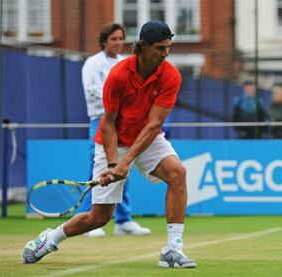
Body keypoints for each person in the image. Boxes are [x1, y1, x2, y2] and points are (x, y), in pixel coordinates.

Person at [22, 20, 196, 268]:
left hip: (148, 138)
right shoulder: (118, 75)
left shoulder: (170, 75)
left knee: (178, 173)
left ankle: (172, 249)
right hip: (112, 139)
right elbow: (108, 123)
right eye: (160, 48)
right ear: (143, 47)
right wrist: (114, 162)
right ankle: (50, 237)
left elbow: (154, 125)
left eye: (168, 47)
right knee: (99, 218)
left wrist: (125, 162)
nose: (166, 53)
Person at [81, 23, 150, 237]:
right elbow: (91, 91)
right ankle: (90, 219)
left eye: (121, 38)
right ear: (104, 42)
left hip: (125, 122)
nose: (118, 43)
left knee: (123, 170)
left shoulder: (126, 63)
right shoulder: (92, 63)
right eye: (114, 39)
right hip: (100, 120)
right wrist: (115, 100)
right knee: (97, 171)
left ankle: (123, 220)